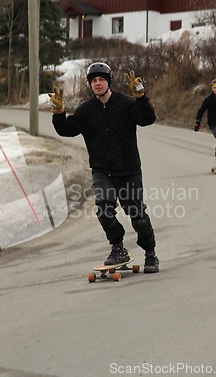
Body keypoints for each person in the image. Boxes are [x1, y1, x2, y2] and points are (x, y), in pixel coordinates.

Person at [48, 62, 159, 273]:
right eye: (94, 81)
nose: (98, 83)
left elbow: (147, 119)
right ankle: (117, 248)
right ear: (90, 84)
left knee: (138, 217)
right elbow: (66, 130)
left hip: (128, 170)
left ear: (108, 81)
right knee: (104, 211)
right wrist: (59, 112)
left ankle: (151, 254)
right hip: (102, 171)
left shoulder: (126, 104)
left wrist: (141, 97)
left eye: (101, 80)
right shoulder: (85, 111)